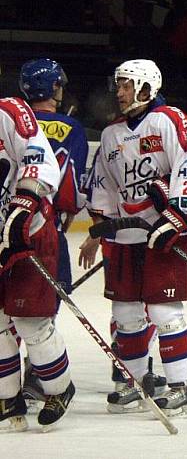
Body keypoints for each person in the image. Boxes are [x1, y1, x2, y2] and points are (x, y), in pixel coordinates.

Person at [81, 59, 187, 416]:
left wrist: (181, 218)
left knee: (164, 311)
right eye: (118, 85)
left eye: (126, 84)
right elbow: (104, 184)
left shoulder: (170, 119)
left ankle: (182, 386)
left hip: (164, 230)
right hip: (125, 234)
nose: (118, 92)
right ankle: (136, 383)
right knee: (125, 313)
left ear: (146, 87)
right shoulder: (110, 135)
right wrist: (96, 229)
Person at [0, 94, 75, 432]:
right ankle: (7, 398)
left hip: (30, 229)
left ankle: (60, 389)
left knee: (30, 322)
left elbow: (39, 156)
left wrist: (25, 201)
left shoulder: (10, 111)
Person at [17, 58, 89, 409]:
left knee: (8, 305)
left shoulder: (10, 123)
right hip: (46, 230)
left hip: (9, 226)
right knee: (41, 309)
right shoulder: (70, 127)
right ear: (54, 88)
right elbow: (71, 191)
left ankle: (9, 379)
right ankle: (37, 373)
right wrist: (70, 214)